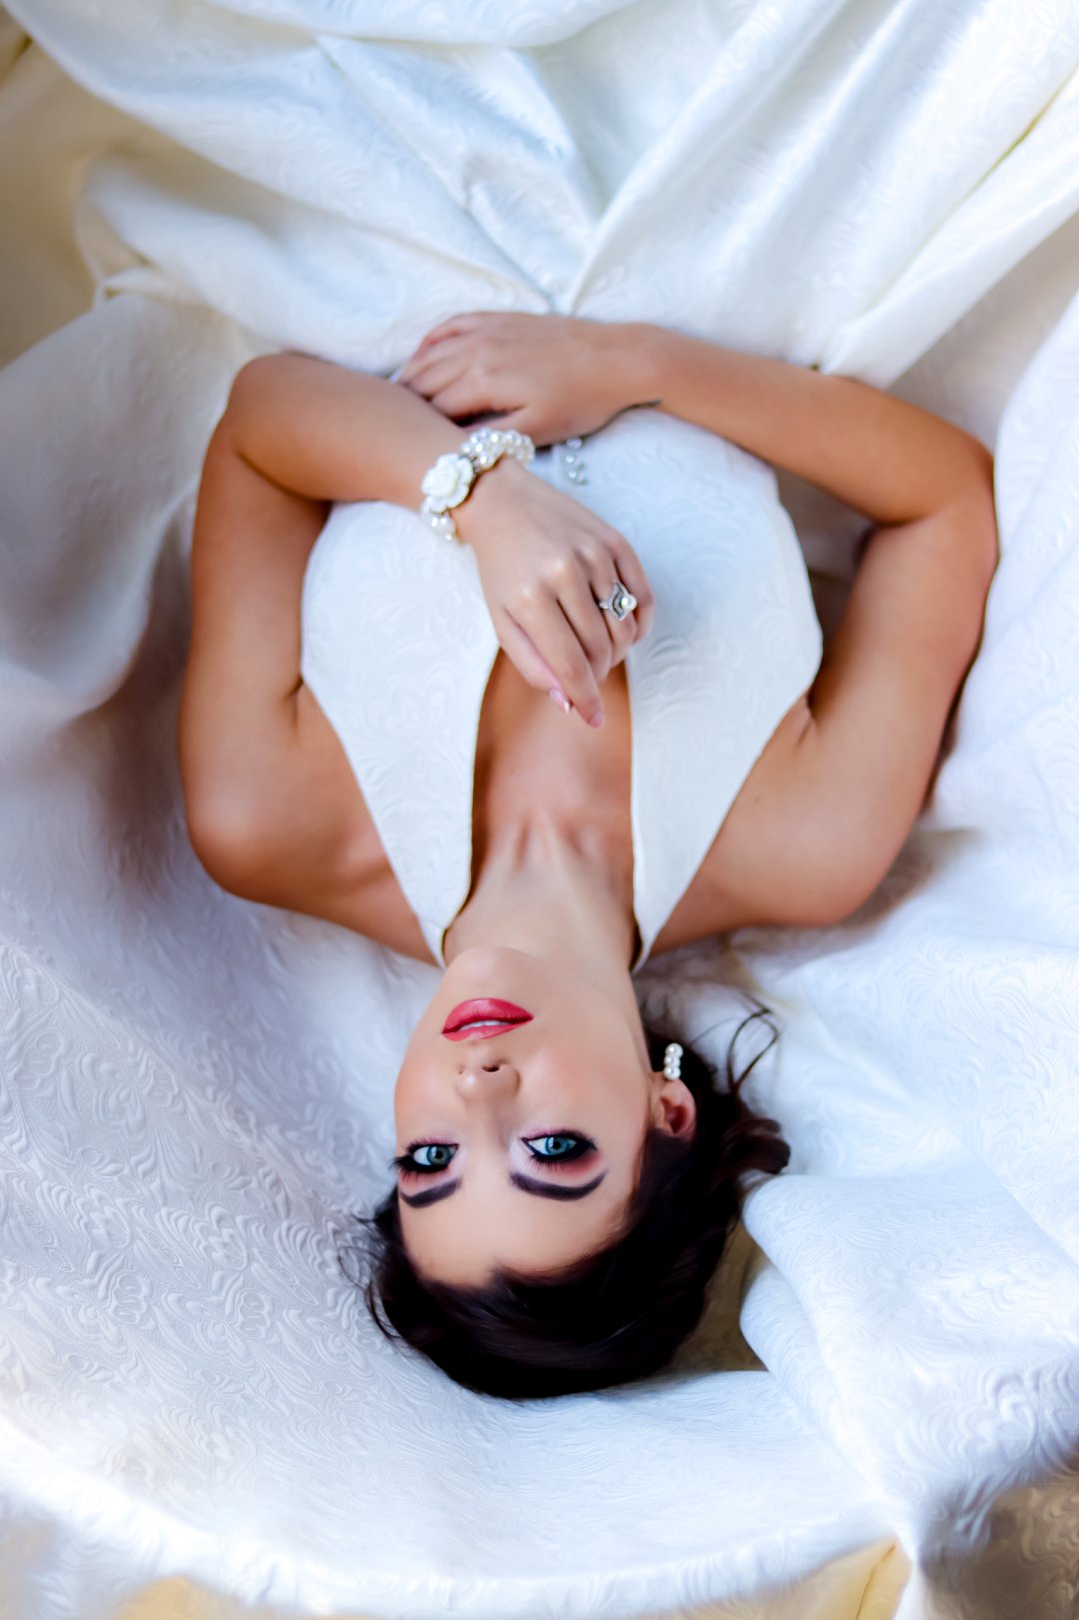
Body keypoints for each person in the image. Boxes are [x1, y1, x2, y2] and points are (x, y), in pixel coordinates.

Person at [177, 312, 998, 1397]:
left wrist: (481, 497)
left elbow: (261, 419)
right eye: (553, 1150)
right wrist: (637, 364)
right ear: (668, 1115)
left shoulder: (266, 822)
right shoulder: (810, 845)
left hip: (389, 290)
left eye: (431, 1160)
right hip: (724, 289)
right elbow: (944, 498)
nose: (478, 1090)